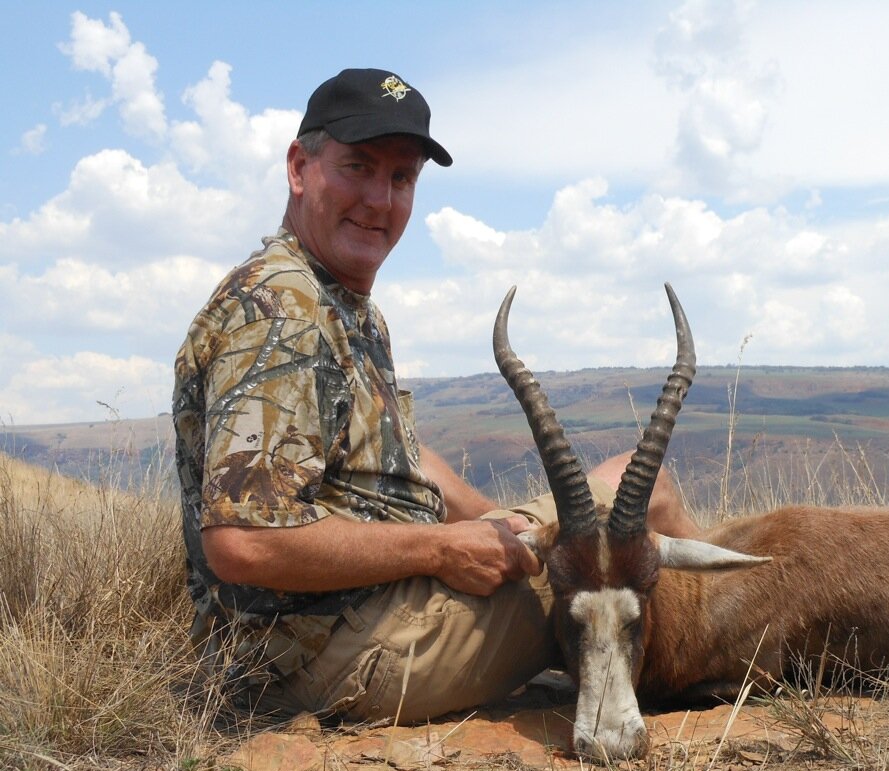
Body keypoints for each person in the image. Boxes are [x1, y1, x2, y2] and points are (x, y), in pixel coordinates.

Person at [173, 68, 698, 723]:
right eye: (357, 167)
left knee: (643, 487)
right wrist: (441, 549)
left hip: (371, 608)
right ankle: (723, 662)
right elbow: (243, 543)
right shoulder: (281, 314)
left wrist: (502, 524)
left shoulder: (341, 302)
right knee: (613, 571)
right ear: (299, 167)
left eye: (401, 178)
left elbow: (403, 455)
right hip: (323, 653)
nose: (379, 199)